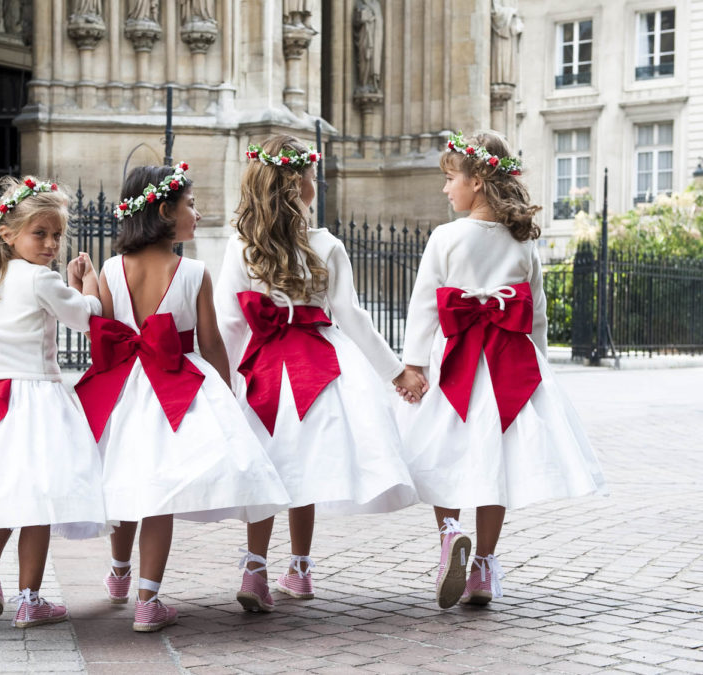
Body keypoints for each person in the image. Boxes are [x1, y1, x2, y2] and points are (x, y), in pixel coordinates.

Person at [75, 162, 290, 631]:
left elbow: (109, 336)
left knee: (128, 481)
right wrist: (228, 395)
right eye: (191, 204)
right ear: (165, 211)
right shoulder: (193, 271)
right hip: (179, 384)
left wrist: (88, 287)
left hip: (128, 389)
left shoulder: (112, 269)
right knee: (161, 494)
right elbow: (211, 344)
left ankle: (119, 576)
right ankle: (148, 602)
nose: (198, 212)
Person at [397, 130, 606, 608]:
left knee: (440, 451)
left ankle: (450, 533)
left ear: (478, 180)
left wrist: (413, 363)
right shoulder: (522, 242)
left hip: (456, 363)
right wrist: (541, 363)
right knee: (496, 467)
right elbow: (536, 313)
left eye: (451, 178)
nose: (446, 189)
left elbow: (425, 306)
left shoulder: (446, 237)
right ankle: (484, 566)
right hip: (509, 366)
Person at [215, 136, 422, 612]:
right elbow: (352, 315)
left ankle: (255, 567)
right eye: (312, 173)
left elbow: (228, 319)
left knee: (269, 462)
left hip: (263, 366)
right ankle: (301, 569)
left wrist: (222, 382)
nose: (317, 181)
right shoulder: (326, 245)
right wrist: (396, 372)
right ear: (299, 185)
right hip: (319, 368)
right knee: (301, 463)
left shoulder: (241, 246)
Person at [0, 177, 108, 628]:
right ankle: (29, 600)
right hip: (36, 400)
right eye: (39, 233)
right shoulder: (42, 278)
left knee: (8, 493)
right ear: (8, 232)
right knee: (38, 501)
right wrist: (90, 287)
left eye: (56, 235)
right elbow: (84, 318)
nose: (50, 243)